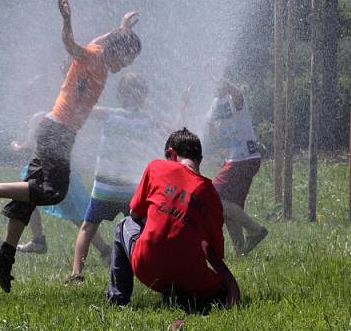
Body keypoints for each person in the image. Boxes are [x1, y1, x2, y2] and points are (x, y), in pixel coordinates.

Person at [0, 0, 141, 292]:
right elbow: (70, 44)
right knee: (54, 191)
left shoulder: (103, 59)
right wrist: (67, 19)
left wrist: (123, 27)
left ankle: (5, 255)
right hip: (56, 131)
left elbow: (107, 41)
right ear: (119, 51)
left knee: (30, 196)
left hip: (58, 131)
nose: (126, 66)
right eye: (128, 59)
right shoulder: (93, 56)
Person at [107, 128, 241, 314]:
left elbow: (135, 215)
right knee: (218, 292)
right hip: (191, 280)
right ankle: (183, 297)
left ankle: (118, 301)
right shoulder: (211, 195)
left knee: (124, 225)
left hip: (148, 268)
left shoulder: (156, 166)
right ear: (199, 159)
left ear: (170, 153)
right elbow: (216, 252)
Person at [69, 73, 162, 282]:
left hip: (105, 186)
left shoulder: (109, 114)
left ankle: (76, 272)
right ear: (144, 95)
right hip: (131, 189)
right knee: (145, 228)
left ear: (120, 95)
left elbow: (84, 108)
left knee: (88, 227)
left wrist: (79, 87)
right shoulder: (146, 119)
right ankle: (152, 269)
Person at [11, 112, 111, 262]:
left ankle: (105, 251)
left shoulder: (39, 117)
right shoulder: (64, 118)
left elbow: (29, 145)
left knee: (77, 216)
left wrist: (14, 145)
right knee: (27, 200)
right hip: (62, 171)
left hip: (48, 172)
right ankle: (38, 240)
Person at [203, 77, 268, 255]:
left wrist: (223, 80)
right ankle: (240, 250)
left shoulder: (233, 99)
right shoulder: (214, 104)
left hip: (244, 158)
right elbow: (209, 129)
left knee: (213, 196)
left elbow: (238, 93)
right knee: (229, 207)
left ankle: (255, 229)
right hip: (235, 159)